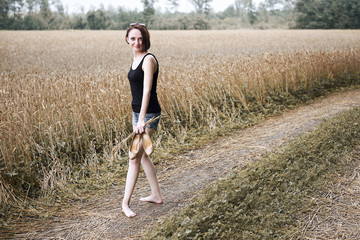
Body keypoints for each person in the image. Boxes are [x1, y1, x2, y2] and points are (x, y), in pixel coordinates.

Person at [122, 23, 163, 218]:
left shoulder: (148, 59)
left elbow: (147, 91)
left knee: (133, 159)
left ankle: (125, 203)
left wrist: (141, 121)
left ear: (145, 39)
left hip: (147, 115)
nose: (136, 42)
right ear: (127, 40)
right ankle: (156, 195)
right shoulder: (136, 57)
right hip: (137, 114)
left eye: (140, 38)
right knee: (143, 156)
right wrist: (136, 117)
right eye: (133, 39)